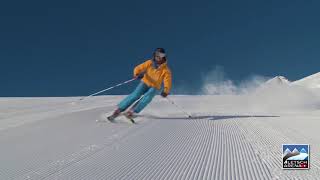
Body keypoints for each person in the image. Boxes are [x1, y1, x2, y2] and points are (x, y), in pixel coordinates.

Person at [107, 48, 172, 121]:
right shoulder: (149, 63)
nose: (158, 57)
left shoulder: (166, 70)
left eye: (161, 55)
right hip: (145, 82)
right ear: (154, 55)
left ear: (164, 56)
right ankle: (119, 109)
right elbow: (138, 68)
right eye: (157, 55)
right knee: (135, 95)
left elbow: (167, 81)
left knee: (148, 97)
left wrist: (166, 91)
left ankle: (133, 111)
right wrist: (137, 74)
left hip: (154, 86)